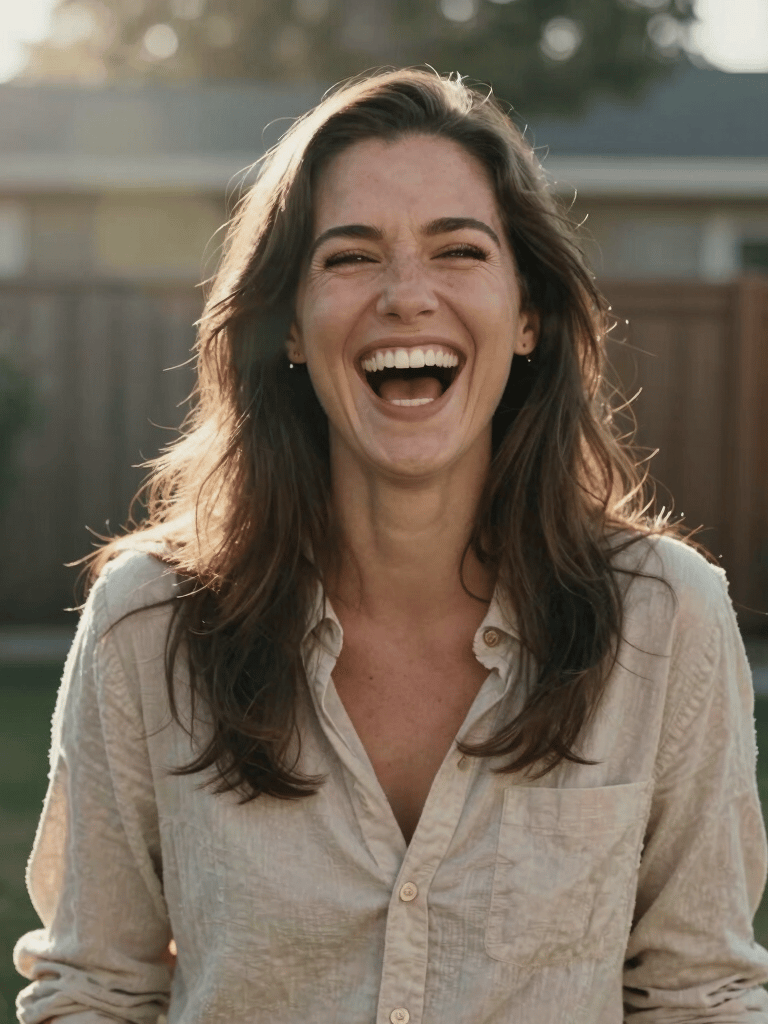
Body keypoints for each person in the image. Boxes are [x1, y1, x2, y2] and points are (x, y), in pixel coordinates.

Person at [14, 67, 768, 1024]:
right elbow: (95, 990)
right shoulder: (149, 625)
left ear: (528, 314)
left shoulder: (667, 623)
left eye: (458, 250)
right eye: (350, 257)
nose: (408, 297)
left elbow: (702, 997)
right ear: (290, 324)